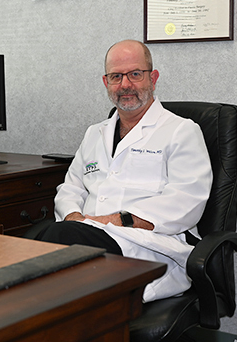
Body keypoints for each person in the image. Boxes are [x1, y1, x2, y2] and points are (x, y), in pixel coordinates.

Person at [35, 39, 213, 302]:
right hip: (86, 236)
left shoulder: (181, 130)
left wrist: (113, 221)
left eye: (135, 74)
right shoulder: (95, 133)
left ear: (153, 78)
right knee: (33, 242)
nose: (125, 84)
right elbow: (71, 187)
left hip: (144, 246)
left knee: (51, 246)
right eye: (116, 76)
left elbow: (186, 202)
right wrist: (73, 216)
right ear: (106, 83)